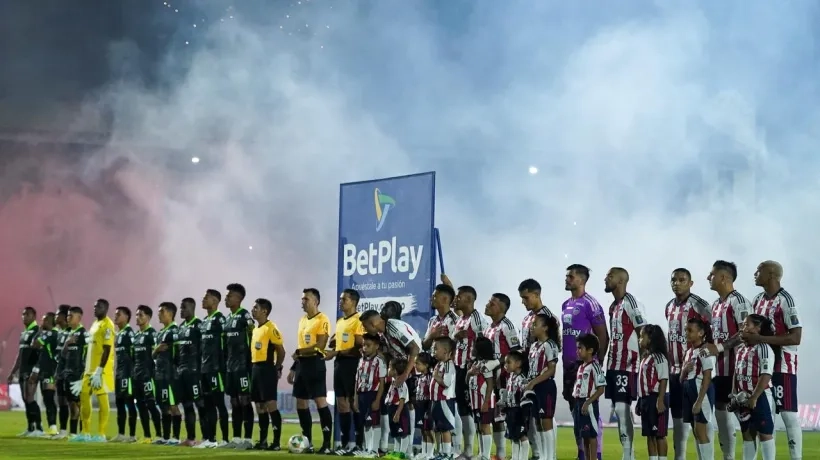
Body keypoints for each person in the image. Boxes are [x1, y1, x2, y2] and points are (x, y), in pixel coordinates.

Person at [750, 261, 802, 460]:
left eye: (759, 270)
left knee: (788, 414)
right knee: (763, 414)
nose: (755, 273)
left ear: (771, 274)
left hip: (783, 364)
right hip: (760, 364)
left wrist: (761, 339)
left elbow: (795, 337)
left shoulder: (786, 300)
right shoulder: (757, 300)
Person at [361, 306, 423, 455]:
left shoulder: (393, 326)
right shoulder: (384, 334)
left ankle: (409, 449)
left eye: (365, 326)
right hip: (401, 372)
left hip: (412, 371)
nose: (365, 330)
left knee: (409, 406)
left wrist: (405, 374)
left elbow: (414, 349)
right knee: (399, 408)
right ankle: (401, 448)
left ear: (372, 323)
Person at [562, 264, 608, 460]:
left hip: (587, 367)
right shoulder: (565, 304)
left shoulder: (591, 303)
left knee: (590, 412)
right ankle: (581, 453)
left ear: (582, 280)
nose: (567, 279)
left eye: (570, 277)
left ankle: (595, 454)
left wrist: (599, 360)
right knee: (576, 413)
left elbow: (602, 335)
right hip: (569, 367)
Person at [706, 260, 751, 460]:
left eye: (712, 274)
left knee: (745, 419)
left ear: (724, 277)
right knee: (721, 415)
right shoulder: (715, 305)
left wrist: (720, 347)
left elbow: (746, 333)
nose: (709, 278)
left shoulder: (739, 301)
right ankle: (728, 456)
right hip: (721, 370)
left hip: (739, 370)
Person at [665, 268, 711, 460]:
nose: (677, 283)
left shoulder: (700, 305)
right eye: (673, 280)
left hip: (695, 373)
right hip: (675, 372)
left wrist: (702, 359)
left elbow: (712, 333)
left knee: (699, 424)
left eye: (682, 280)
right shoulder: (669, 306)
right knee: (678, 422)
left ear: (691, 283)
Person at [603, 267, 647, 460]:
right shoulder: (613, 306)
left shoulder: (631, 303)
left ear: (620, 281)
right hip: (613, 365)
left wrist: (644, 362)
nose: (606, 279)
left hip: (627, 365)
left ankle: (628, 454)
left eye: (610, 276)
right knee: (619, 409)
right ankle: (627, 452)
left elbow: (643, 332)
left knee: (622, 408)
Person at [442, 275, 487, 460]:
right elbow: (455, 340)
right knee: (463, 410)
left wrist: (474, 365)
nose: (455, 300)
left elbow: (484, 344)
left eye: (459, 297)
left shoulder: (477, 319)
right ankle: (468, 450)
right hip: (460, 369)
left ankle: (480, 452)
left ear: (469, 299)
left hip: (472, 370)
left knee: (474, 411)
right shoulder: (461, 319)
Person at [287, 288, 333, 454]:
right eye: (302, 299)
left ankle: (327, 444)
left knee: (320, 401)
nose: (303, 302)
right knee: (301, 402)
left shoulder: (323, 319)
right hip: (302, 365)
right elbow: (301, 346)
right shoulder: (302, 320)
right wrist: (294, 367)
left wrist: (299, 353)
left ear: (316, 301)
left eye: (306, 299)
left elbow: (320, 346)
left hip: (315, 364)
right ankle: (307, 442)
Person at [325, 288, 365, 454]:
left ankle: (359, 443)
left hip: (352, 364)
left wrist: (337, 352)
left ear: (354, 302)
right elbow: (338, 343)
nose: (341, 302)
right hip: (339, 364)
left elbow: (359, 347)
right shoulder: (341, 321)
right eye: (341, 299)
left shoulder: (359, 320)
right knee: (342, 404)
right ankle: (344, 443)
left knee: (354, 404)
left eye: (344, 299)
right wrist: (334, 344)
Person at [732, 314, 777, 460]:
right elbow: (736, 373)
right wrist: (733, 394)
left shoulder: (763, 348)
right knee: (746, 433)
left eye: (746, 325)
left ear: (757, 329)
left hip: (759, 396)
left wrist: (754, 397)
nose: (742, 327)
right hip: (742, 397)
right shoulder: (741, 349)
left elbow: (766, 374)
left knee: (764, 433)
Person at [483, 292, 519, 460]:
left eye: (493, 302)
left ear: (502, 307)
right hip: (490, 378)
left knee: (508, 415)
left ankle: (516, 453)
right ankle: (500, 454)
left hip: (504, 378)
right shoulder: (489, 327)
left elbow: (516, 351)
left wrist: (498, 364)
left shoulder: (507, 326)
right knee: (495, 417)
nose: (489, 304)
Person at [221, 283, 255, 449]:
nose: (226, 298)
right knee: (234, 402)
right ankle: (236, 438)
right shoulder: (227, 319)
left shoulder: (245, 316)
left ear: (239, 298)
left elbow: (253, 335)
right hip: (230, 367)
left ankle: (248, 439)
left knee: (244, 400)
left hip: (243, 366)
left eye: (229, 296)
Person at [77, 299, 116, 443]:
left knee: (102, 399)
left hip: (101, 370)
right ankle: (85, 432)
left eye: (98, 307)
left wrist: (99, 370)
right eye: (94, 306)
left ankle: (101, 434)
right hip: (89, 369)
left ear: (106, 308)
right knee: (84, 397)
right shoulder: (94, 324)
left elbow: (107, 349)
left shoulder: (108, 325)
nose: (95, 309)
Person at [249, 298, 286, 450]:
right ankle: (263, 440)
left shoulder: (271, 328)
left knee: (271, 404)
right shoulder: (256, 329)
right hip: (255, 369)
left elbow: (281, 351)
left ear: (264, 311)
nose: (253, 310)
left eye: (255, 307)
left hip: (267, 369)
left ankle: (276, 442)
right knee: (259, 406)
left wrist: (277, 368)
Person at [525, 314, 561, 460]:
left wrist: (534, 382)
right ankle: (543, 455)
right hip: (534, 388)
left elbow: (551, 369)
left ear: (545, 328)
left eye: (535, 324)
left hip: (545, 387)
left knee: (546, 421)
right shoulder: (534, 345)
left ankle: (550, 457)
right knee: (538, 423)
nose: (532, 327)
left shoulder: (550, 345)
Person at [197, 289, 230, 448]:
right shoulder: (203, 321)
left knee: (219, 404)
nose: (203, 300)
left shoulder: (220, 320)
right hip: (204, 370)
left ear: (215, 301)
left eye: (206, 298)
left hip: (216, 369)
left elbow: (226, 345)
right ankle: (210, 439)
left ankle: (224, 439)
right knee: (207, 404)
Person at [682, 318, 716, 460]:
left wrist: (699, 401)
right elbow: (681, 378)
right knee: (695, 431)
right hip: (688, 390)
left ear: (701, 333)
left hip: (700, 391)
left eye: (690, 330)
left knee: (700, 430)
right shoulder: (689, 351)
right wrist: (684, 370)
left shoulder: (705, 350)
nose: (687, 333)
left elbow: (708, 376)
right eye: (686, 330)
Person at [636, 325, 670, 460]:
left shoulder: (659, 357)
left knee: (659, 434)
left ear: (650, 338)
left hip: (656, 398)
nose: (640, 340)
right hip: (646, 399)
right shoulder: (646, 357)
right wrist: (640, 400)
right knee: (650, 434)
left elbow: (663, 379)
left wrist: (660, 399)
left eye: (642, 336)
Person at [7, 306, 41, 436]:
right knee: (25, 398)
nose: (24, 317)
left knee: (30, 397)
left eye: (27, 314)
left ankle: (39, 427)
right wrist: (12, 372)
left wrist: (36, 369)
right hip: (23, 370)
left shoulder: (37, 331)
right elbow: (20, 355)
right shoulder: (24, 333)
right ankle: (30, 427)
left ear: (33, 316)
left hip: (31, 370)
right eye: (23, 314)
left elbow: (40, 353)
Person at [571, 334, 607, 460]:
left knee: (591, 435)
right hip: (579, 403)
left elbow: (601, 388)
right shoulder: (581, 367)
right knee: (584, 435)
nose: (577, 351)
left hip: (589, 405)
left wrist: (588, 402)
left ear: (590, 350)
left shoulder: (595, 367)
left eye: (580, 348)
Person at [132, 305, 162, 443]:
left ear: (148, 318)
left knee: (151, 405)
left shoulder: (152, 334)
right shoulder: (136, 336)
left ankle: (160, 435)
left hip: (148, 376)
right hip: (136, 376)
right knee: (140, 406)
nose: (137, 317)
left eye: (141, 315)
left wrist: (153, 374)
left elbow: (155, 357)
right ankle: (147, 436)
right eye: (137, 315)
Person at [153, 301, 182, 445]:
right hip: (160, 374)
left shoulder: (174, 331)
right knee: (164, 406)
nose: (159, 314)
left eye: (162, 311)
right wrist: (157, 350)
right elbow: (154, 354)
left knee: (173, 406)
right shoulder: (160, 333)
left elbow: (179, 355)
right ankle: (165, 437)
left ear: (170, 314)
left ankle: (175, 437)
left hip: (171, 375)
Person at [355, 333, 388, 457]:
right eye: (363, 345)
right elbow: (357, 381)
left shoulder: (380, 362)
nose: (365, 348)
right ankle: (367, 449)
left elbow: (382, 383)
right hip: (362, 394)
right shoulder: (361, 361)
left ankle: (374, 450)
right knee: (365, 422)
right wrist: (356, 398)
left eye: (368, 345)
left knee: (374, 422)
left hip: (373, 394)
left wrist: (377, 399)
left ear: (376, 346)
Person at [177, 297, 203, 447]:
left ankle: (207, 438)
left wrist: (200, 371)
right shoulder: (181, 327)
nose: (182, 310)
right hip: (182, 373)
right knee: (187, 405)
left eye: (184, 307)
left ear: (192, 308)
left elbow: (203, 350)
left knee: (200, 404)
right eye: (181, 307)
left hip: (195, 372)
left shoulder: (198, 326)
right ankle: (190, 438)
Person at [468, 336, 499, 460]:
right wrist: (469, 373)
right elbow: (467, 380)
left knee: (485, 426)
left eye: (474, 347)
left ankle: (486, 455)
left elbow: (490, 384)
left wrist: (486, 402)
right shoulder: (476, 364)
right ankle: (481, 453)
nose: (472, 349)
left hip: (484, 401)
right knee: (479, 427)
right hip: (475, 401)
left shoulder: (486, 365)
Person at [30, 312, 59, 437]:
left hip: (51, 371)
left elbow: (34, 344)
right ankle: (52, 427)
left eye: (44, 320)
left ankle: (53, 427)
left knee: (48, 398)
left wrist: (39, 332)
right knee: (47, 398)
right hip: (45, 371)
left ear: (49, 321)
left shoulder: (51, 334)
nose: (42, 322)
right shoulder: (49, 334)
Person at [112, 306, 137, 443]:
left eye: (118, 314)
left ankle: (132, 435)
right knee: (119, 403)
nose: (115, 317)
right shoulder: (118, 334)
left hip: (128, 374)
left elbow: (134, 356)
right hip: (119, 373)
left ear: (127, 317)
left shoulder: (129, 334)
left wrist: (132, 374)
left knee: (129, 402)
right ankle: (121, 434)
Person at [62, 306, 86, 440]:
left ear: (79, 317)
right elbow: (63, 355)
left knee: (80, 404)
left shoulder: (84, 334)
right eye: (67, 316)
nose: (68, 318)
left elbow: (88, 354)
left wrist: (85, 374)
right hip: (67, 372)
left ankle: (83, 432)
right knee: (71, 404)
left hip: (78, 373)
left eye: (71, 316)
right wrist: (67, 344)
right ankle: (73, 433)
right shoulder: (68, 333)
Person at [430, 337, 457, 459]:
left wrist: (435, 376)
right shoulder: (439, 364)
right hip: (436, 400)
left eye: (436, 349)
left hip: (444, 400)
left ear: (445, 351)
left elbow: (446, 382)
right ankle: (441, 452)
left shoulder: (449, 365)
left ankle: (447, 453)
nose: (433, 351)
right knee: (439, 427)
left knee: (446, 427)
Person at [502, 350, 532, 460]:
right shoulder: (511, 377)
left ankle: (523, 458)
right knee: (513, 436)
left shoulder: (522, 378)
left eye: (508, 362)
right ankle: (515, 457)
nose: (506, 365)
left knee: (522, 436)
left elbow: (525, 395)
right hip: (510, 410)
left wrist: (524, 412)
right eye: (505, 363)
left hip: (519, 411)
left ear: (518, 363)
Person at [52, 304, 71, 439]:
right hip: (60, 372)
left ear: (64, 317)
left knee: (74, 403)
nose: (55, 316)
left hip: (71, 373)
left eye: (57, 314)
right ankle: (63, 430)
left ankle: (79, 431)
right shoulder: (59, 333)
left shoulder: (73, 332)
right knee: (62, 402)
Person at [386, 358, 411, 455]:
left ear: (395, 371)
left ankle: (402, 453)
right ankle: (396, 452)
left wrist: (397, 414)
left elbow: (402, 399)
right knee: (396, 432)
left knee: (403, 433)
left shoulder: (401, 383)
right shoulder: (393, 380)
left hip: (400, 410)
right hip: (392, 408)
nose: (388, 369)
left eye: (389, 367)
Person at [414, 352, 435, 460]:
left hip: (427, 406)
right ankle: (424, 452)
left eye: (418, 363)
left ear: (426, 365)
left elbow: (432, 394)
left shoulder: (430, 377)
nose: (415, 366)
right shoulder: (418, 377)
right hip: (420, 406)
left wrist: (429, 409)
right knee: (423, 430)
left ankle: (430, 453)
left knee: (429, 430)